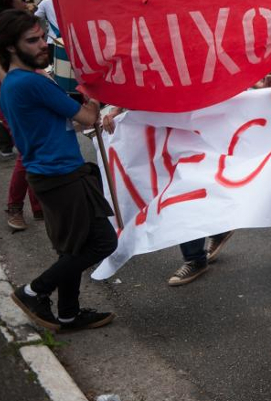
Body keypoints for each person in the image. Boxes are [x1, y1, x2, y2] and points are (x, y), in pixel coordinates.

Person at [0, 9, 117, 332]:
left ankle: (68, 314)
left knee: (72, 247)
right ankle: (35, 291)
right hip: (61, 176)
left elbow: (61, 124)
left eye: (41, 38)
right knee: (103, 242)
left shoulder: (15, 84)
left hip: (53, 174)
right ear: (10, 47)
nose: (42, 46)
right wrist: (91, 88)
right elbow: (87, 117)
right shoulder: (32, 83)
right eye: (32, 41)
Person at [100, 107, 235, 285]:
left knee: (182, 192)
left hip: (185, 123)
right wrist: (117, 110)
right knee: (170, 189)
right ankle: (218, 230)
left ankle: (195, 257)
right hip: (158, 127)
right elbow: (135, 82)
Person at [0, 0, 43, 228]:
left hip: (26, 89)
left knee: (35, 149)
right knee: (27, 152)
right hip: (10, 94)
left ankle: (39, 207)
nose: (26, 1)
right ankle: (14, 208)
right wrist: (15, 89)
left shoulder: (18, 21)